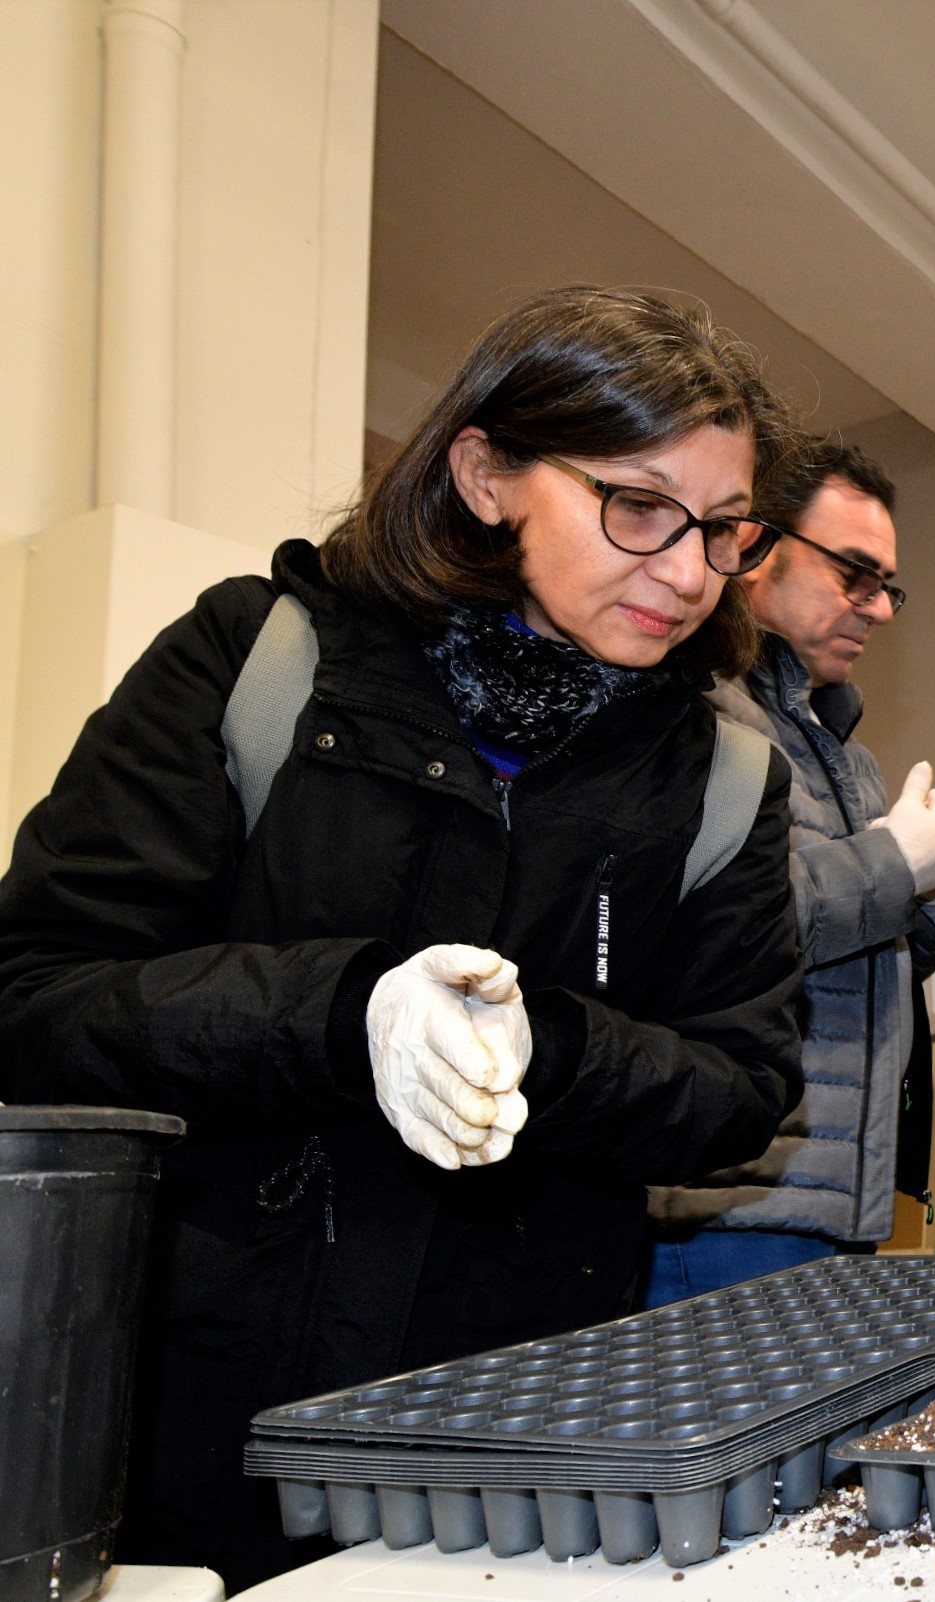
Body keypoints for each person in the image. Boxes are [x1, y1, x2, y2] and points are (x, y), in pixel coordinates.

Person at [0, 287, 808, 1587]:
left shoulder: (718, 779)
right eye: (638, 508)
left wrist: (540, 1044)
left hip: (510, 1439)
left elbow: (737, 1088)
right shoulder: (253, 660)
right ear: (486, 472)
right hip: (188, 1418)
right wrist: (345, 1010)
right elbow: (43, 997)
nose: (685, 570)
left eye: (722, 529)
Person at [644, 439, 935, 1301]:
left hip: (835, 1206)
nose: (877, 608)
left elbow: (850, 959)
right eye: (854, 574)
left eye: (888, 587)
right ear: (756, 549)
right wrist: (890, 865)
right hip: (729, 1209)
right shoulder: (688, 714)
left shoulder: (846, 755)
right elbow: (711, 933)